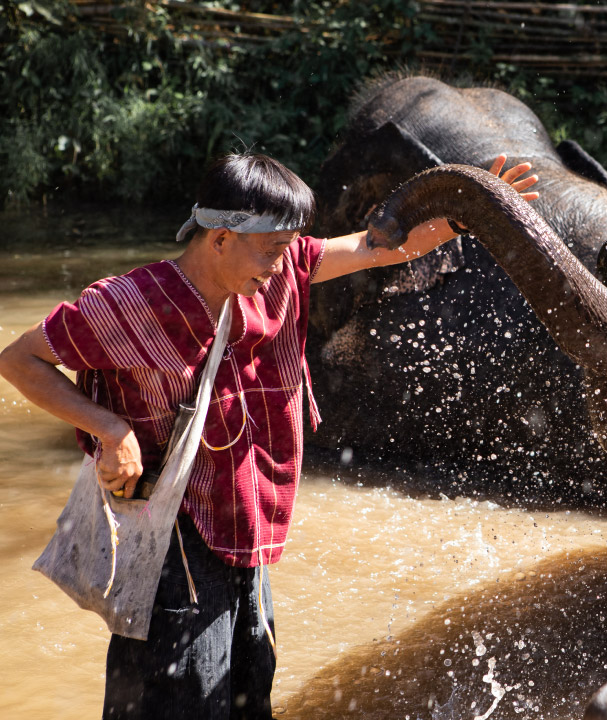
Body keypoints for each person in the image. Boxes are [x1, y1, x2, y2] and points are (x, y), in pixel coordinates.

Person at [0, 151, 538, 719]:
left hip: (248, 527)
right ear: (221, 238)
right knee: (180, 700)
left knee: (248, 692)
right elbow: (20, 359)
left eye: (288, 249)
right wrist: (110, 429)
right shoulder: (130, 303)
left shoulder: (277, 277)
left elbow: (383, 246)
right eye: (272, 250)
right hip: (173, 540)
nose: (284, 266)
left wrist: (466, 213)